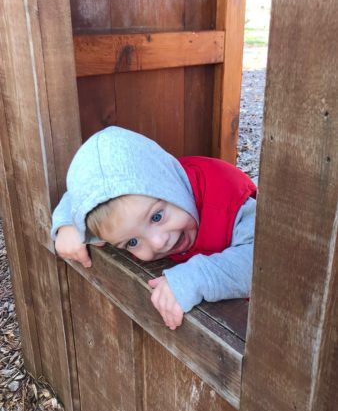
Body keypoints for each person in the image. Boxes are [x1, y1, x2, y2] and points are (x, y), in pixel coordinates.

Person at [52, 126, 256, 330]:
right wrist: (68, 223)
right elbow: (86, 195)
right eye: (132, 242)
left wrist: (196, 277)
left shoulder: (230, 200)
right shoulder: (128, 215)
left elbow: (265, 262)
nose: (158, 242)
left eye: (157, 217)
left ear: (171, 185)